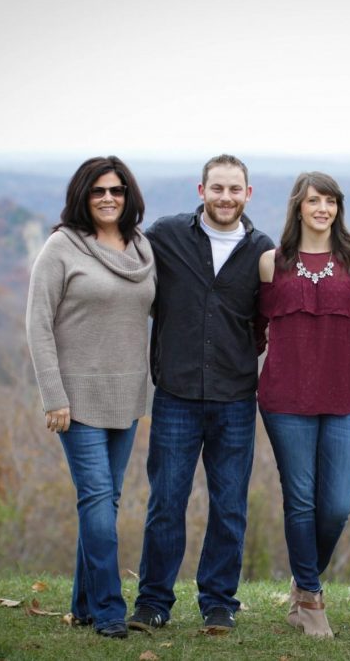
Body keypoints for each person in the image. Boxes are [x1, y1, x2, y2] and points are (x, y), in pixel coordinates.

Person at [129, 154, 274, 634]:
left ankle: (218, 602)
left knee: (229, 506)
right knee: (166, 503)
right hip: (176, 393)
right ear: (201, 190)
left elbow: (267, 320)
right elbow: (122, 260)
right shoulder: (167, 236)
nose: (226, 197)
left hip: (235, 397)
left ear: (247, 194)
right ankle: (153, 602)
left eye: (235, 189)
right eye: (218, 188)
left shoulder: (262, 251)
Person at [26, 156, 155, 640]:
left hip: (127, 395)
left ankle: (82, 603)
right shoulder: (61, 248)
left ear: (129, 197)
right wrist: (52, 397)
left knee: (103, 501)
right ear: (83, 195)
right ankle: (107, 610)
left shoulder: (142, 249)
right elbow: (37, 325)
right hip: (76, 399)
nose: (107, 198)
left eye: (116, 191)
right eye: (98, 190)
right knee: (98, 499)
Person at [258, 172, 350, 638]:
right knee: (300, 500)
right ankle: (310, 597)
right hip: (285, 397)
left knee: (336, 507)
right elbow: (250, 327)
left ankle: (302, 583)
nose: (322, 208)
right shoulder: (271, 262)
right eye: (313, 201)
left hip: (344, 395)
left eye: (330, 201)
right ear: (298, 207)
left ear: (338, 207)